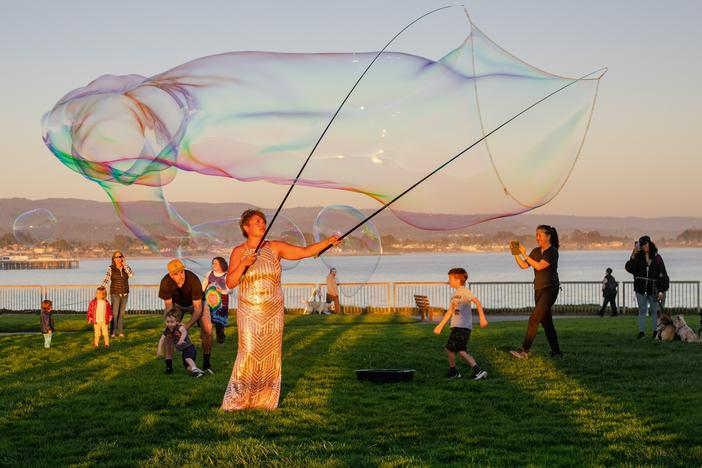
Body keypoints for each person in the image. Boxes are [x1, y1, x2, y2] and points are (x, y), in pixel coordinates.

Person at [221, 209, 340, 411]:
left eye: (263, 221)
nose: (262, 223)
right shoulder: (239, 251)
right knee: (248, 352)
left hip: (273, 310)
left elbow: (304, 252)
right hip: (249, 310)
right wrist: (244, 263)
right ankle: (238, 399)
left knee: (270, 354)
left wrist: (327, 242)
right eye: (257, 221)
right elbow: (230, 282)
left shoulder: (275, 247)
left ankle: (264, 400)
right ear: (246, 227)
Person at [510, 225, 563, 359]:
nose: (537, 237)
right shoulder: (535, 251)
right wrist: (516, 253)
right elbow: (523, 265)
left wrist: (524, 253)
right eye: (536, 235)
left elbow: (539, 266)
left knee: (534, 318)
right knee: (547, 323)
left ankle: (524, 351)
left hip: (550, 289)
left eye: (539, 235)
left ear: (548, 236)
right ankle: (556, 352)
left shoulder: (552, 251)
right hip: (538, 289)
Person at [433, 267, 488, 380]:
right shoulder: (455, 294)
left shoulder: (464, 291)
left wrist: (482, 318)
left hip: (463, 326)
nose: (449, 281)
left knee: (451, 349)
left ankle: (459, 372)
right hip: (456, 326)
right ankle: (476, 371)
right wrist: (440, 325)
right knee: (461, 351)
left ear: (458, 280)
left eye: (451, 279)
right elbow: (450, 311)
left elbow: (477, 302)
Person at [158, 259, 212, 374]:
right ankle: (169, 366)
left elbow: (198, 309)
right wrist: (171, 325)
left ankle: (207, 363)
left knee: (207, 329)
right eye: (176, 274)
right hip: (177, 305)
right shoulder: (166, 282)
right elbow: (169, 307)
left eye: (182, 272)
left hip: (196, 303)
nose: (181, 276)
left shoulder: (193, 279)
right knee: (169, 331)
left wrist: (186, 326)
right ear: (171, 275)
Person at [625, 235, 669, 339]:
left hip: (653, 288)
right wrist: (633, 254)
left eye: (645, 244)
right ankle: (641, 332)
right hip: (640, 288)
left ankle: (655, 332)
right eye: (642, 245)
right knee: (642, 310)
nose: (644, 247)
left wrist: (661, 290)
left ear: (649, 243)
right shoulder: (637, 256)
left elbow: (662, 274)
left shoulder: (657, 257)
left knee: (654, 310)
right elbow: (629, 268)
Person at [157, 309, 205, 377]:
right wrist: (159, 350)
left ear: (177, 322)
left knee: (187, 358)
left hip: (189, 347)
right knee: (188, 367)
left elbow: (184, 332)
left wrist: (181, 340)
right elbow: (162, 339)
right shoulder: (167, 329)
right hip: (184, 350)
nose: (169, 324)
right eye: (167, 322)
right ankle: (199, 372)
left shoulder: (179, 327)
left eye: (172, 322)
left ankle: (195, 371)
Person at [100, 251, 133, 338]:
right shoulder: (110, 268)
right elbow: (106, 280)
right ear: (113, 259)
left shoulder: (126, 268)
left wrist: (124, 265)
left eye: (120, 256)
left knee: (121, 313)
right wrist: (101, 289)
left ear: (122, 258)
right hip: (115, 293)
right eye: (116, 257)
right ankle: (113, 332)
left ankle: (121, 332)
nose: (118, 258)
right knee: (114, 313)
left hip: (125, 293)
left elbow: (131, 275)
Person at [202, 257, 232, 344]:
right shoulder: (209, 273)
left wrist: (222, 291)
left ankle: (220, 338)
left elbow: (231, 290)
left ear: (221, 264)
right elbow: (204, 284)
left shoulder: (227, 275)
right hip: (209, 300)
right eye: (212, 263)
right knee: (207, 319)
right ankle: (205, 336)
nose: (213, 265)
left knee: (219, 321)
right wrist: (202, 294)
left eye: (215, 263)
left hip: (221, 302)